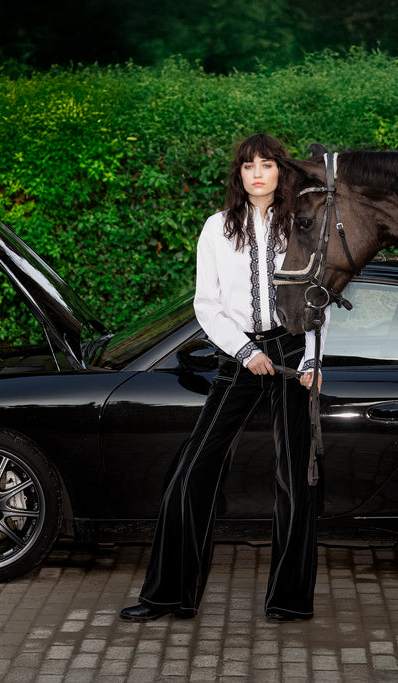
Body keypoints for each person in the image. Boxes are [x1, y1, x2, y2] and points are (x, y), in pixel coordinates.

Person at [119, 134, 327, 624]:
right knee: (193, 469)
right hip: (239, 354)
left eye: (266, 165)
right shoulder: (217, 228)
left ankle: (290, 600)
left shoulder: (301, 223)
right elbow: (206, 304)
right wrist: (245, 351)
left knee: (296, 477)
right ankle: (169, 596)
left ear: (280, 171)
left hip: (292, 349)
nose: (257, 173)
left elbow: (317, 297)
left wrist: (313, 360)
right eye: (248, 166)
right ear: (239, 174)